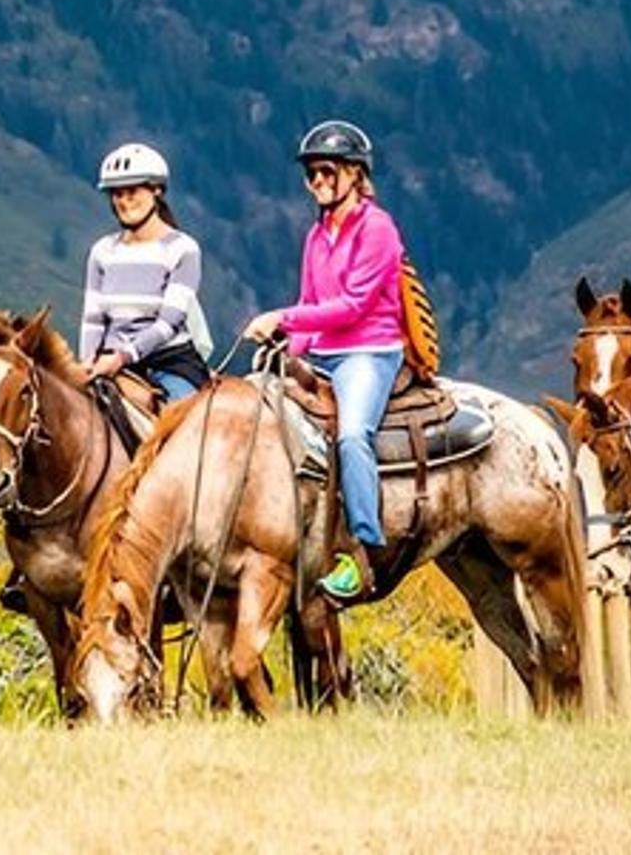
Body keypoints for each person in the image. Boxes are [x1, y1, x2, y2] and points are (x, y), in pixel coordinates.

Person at [243, 120, 405, 603]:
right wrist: (282, 351)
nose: (315, 182)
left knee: (353, 435)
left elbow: (354, 305)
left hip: (369, 351)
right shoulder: (316, 236)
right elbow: (313, 303)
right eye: (310, 174)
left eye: (325, 171)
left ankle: (363, 552)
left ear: (355, 174)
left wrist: (282, 317)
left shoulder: (377, 229)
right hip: (323, 352)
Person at [77, 142, 213, 406]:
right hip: (109, 361)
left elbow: (168, 323)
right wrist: (87, 363)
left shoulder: (183, 249)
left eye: (132, 191)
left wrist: (124, 356)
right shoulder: (102, 251)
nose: (123, 200)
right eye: (116, 193)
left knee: (187, 427)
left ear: (157, 191)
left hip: (168, 362)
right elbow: (93, 320)